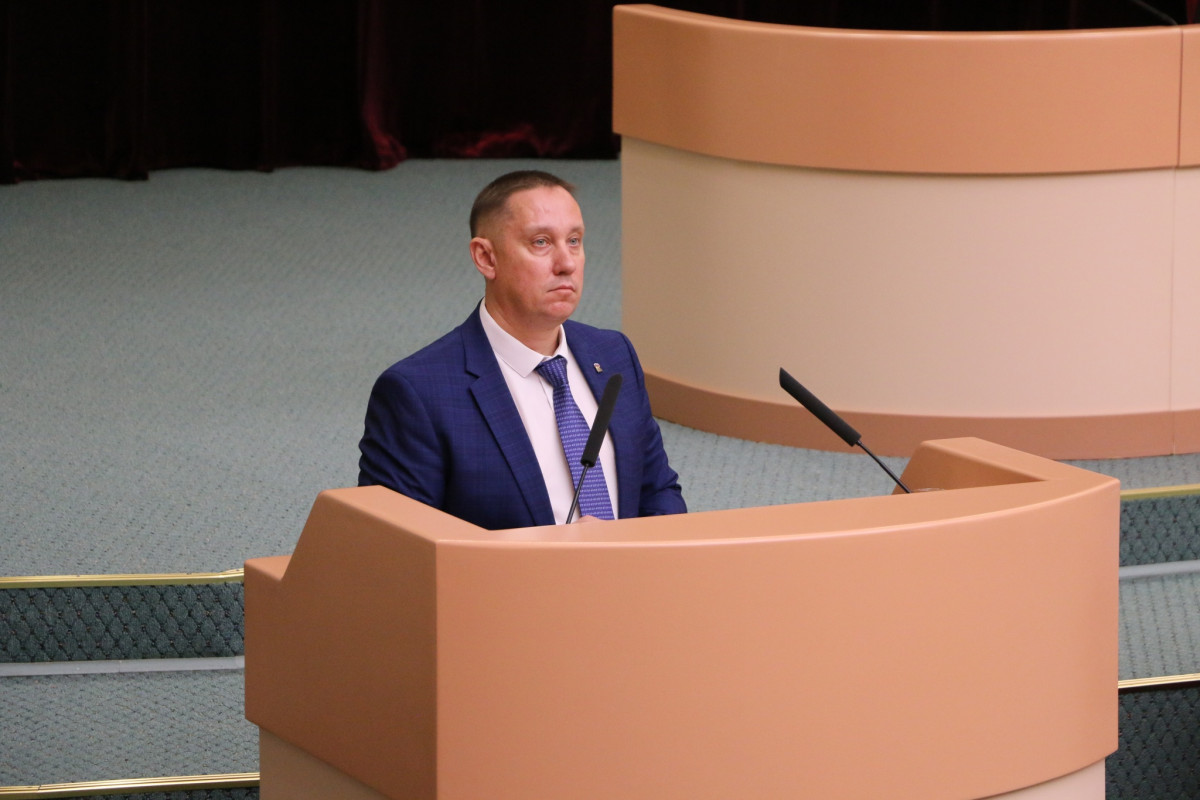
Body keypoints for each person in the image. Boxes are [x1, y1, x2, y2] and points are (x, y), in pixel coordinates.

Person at [357, 170, 686, 529]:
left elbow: (658, 490)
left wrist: (635, 552)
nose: (567, 263)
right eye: (541, 242)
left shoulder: (613, 354)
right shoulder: (418, 393)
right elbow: (399, 545)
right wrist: (557, 554)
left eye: (574, 241)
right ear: (486, 258)